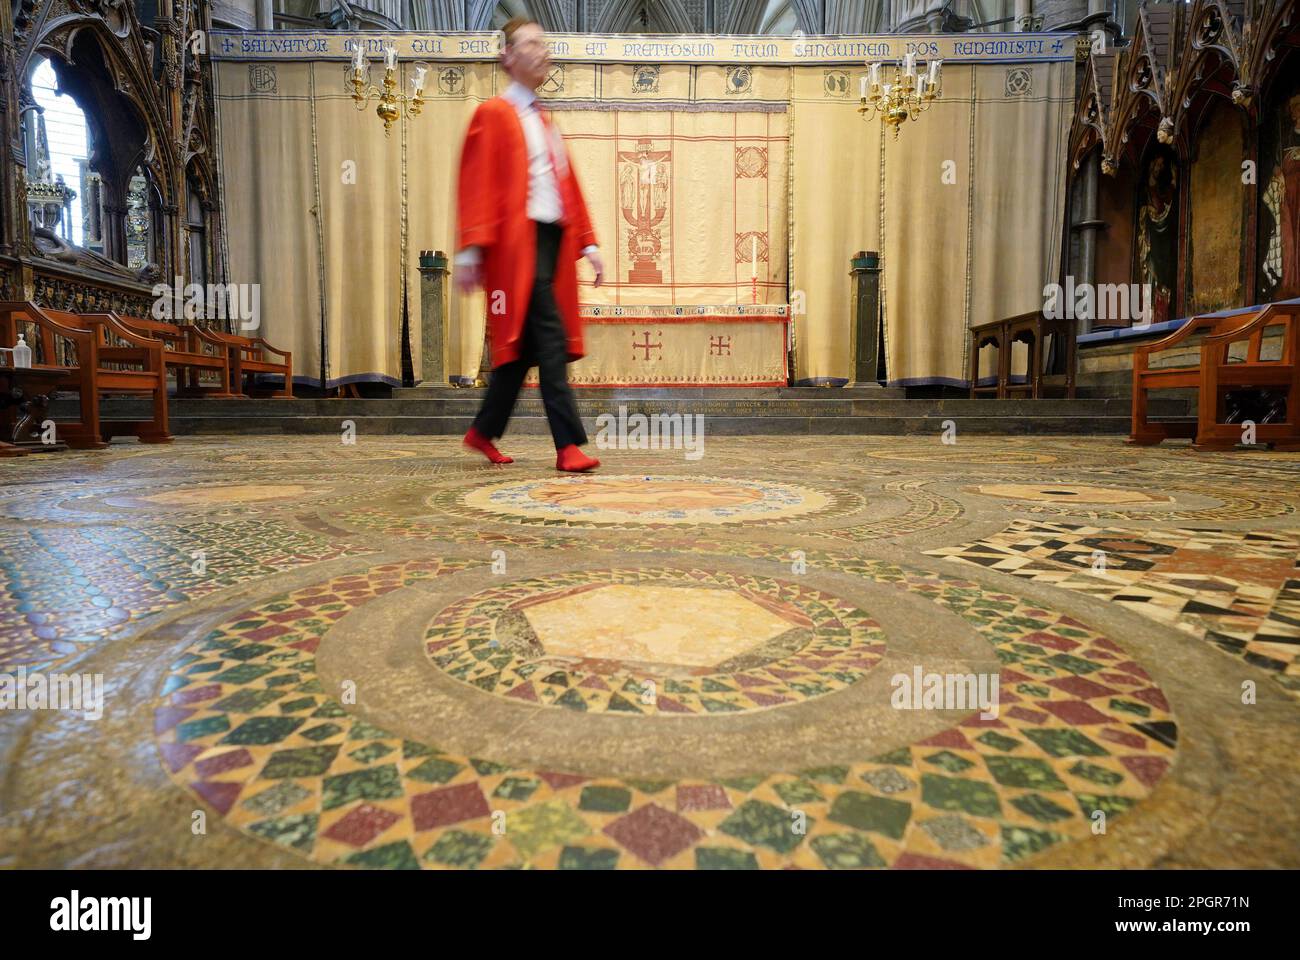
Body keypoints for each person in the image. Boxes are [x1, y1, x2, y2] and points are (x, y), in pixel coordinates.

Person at [454, 16, 604, 472]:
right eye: (532, 43)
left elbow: (565, 185)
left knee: (521, 351)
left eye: (545, 44)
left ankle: (482, 431)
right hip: (517, 247)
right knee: (552, 341)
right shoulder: (493, 113)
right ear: (507, 56)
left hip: (551, 245)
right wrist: (469, 249)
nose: (544, 51)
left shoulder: (543, 118)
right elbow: (475, 183)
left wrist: (587, 244)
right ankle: (568, 446)